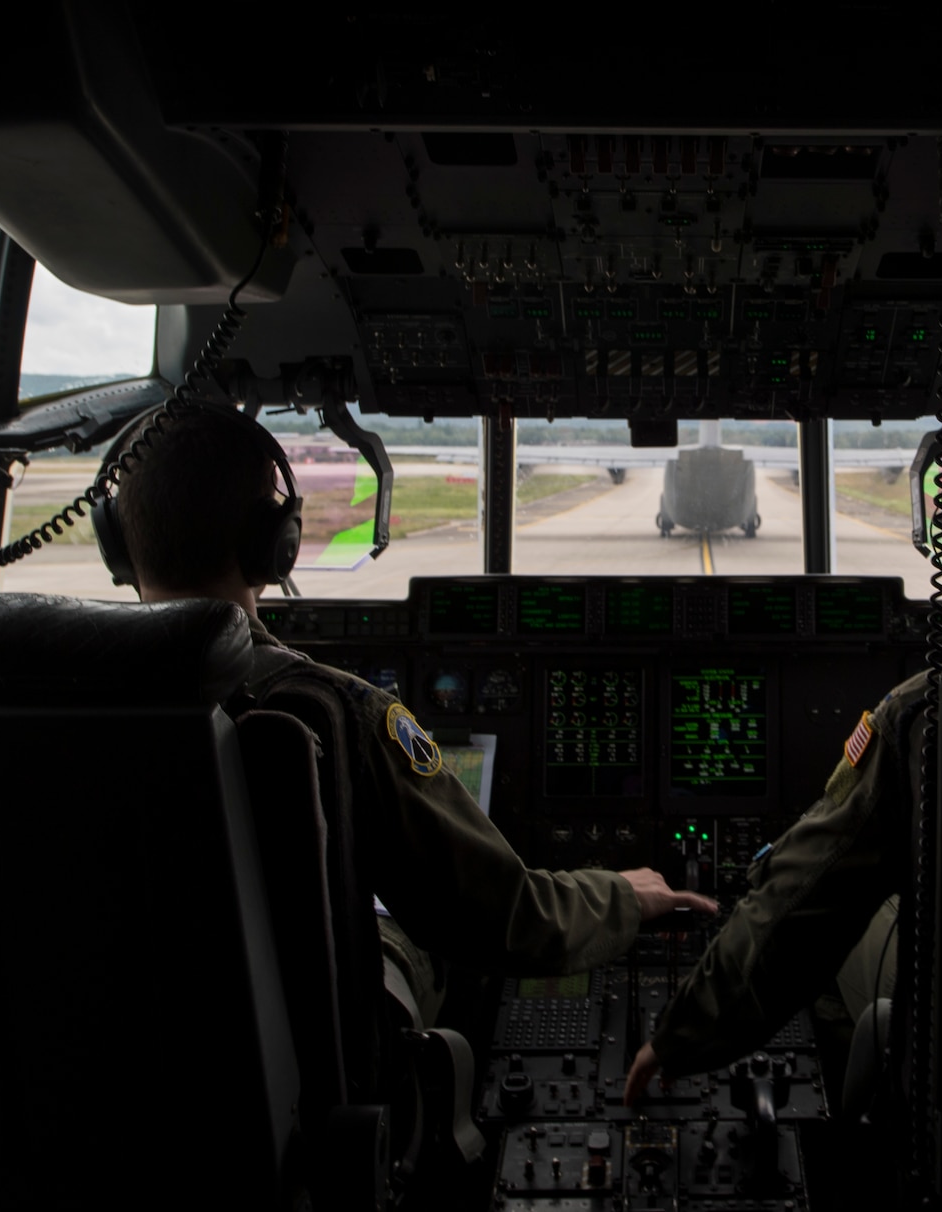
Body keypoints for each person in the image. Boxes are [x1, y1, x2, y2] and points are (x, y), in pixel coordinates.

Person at [112, 404, 716, 1018]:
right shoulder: (335, 713)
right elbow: (506, 921)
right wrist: (622, 896)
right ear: (274, 546)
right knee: (405, 933)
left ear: (119, 543)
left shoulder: (42, 697)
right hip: (304, 1065)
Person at [627, 405, 942, 1096]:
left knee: (856, 915)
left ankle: (869, 1122)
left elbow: (805, 902)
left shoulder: (932, 709)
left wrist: (680, 1035)